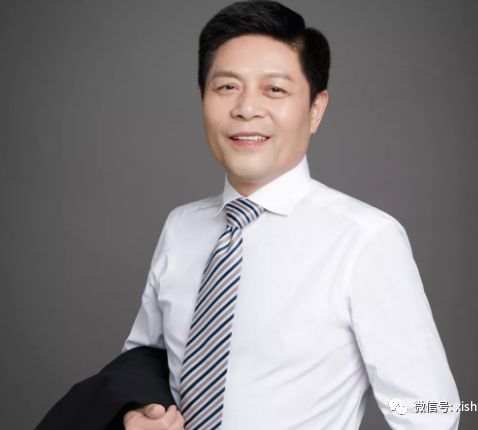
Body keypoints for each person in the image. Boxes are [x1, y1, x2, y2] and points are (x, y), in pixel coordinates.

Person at [122, 1, 460, 429]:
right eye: (227, 87)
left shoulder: (365, 240)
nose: (246, 108)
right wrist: (135, 413)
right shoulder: (181, 227)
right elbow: (142, 362)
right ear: (202, 97)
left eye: (275, 90)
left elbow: (432, 413)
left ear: (316, 109)